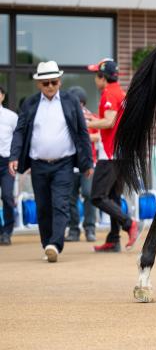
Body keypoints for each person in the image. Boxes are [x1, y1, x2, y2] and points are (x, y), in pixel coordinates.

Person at [8, 61, 93, 262]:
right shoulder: (29, 104)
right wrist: (14, 156)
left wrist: (87, 162)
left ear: (59, 82)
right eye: (45, 83)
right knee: (43, 207)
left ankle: (55, 244)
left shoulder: (71, 101)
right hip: (38, 164)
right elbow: (20, 132)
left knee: (60, 204)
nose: (50, 87)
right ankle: (47, 243)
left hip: (63, 163)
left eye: (54, 82)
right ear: (38, 84)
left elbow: (82, 132)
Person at [87, 58, 139, 252]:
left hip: (109, 154)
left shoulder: (109, 92)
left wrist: (87, 124)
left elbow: (109, 122)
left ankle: (128, 224)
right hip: (120, 152)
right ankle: (113, 239)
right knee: (113, 196)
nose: (95, 79)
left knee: (98, 196)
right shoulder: (120, 92)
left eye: (96, 74)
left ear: (103, 76)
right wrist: (95, 121)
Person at [65, 86, 99, 242]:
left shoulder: (90, 117)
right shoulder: (65, 116)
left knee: (88, 194)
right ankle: (73, 229)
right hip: (70, 163)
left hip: (87, 162)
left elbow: (98, 135)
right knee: (71, 197)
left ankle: (90, 228)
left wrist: (83, 137)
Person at [0, 86, 18, 245]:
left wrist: (16, 158)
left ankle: (7, 231)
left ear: (2, 96)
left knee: (6, 196)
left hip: (6, 163)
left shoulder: (12, 117)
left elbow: (18, 139)